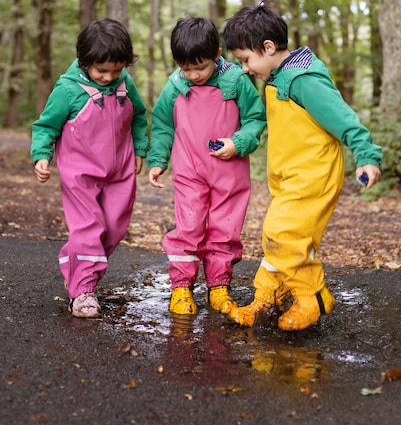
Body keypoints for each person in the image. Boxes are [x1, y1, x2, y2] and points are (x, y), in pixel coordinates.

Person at [222, 2, 382, 331]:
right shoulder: (277, 77)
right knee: (280, 240)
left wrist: (366, 154)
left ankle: (313, 297)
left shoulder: (304, 80)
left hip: (313, 176)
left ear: (267, 48)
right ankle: (267, 298)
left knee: (282, 235)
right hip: (289, 179)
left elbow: (343, 118)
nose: (245, 68)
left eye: (246, 60)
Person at [146, 16, 266, 316]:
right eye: (186, 68)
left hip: (230, 173)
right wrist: (158, 160)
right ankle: (182, 288)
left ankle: (219, 285)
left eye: (200, 67)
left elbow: (255, 119)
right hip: (189, 172)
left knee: (225, 229)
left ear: (217, 54)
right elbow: (162, 124)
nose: (194, 75)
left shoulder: (237, 80)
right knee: (189, 227)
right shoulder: (175, 85)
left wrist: (238, 142)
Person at [31, 19, 149, 318]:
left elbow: (138, 116)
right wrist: (41, 155)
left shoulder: (125, 83)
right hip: (80, 175)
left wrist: (141, 148)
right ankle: (82, 291)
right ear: (85, 63)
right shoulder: (68, 89)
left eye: (116, 70)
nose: (110, 77)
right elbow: (46, 125)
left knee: (112, 230)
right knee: (88, 228)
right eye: (102, 71)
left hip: (120, 173)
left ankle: (79, 268)